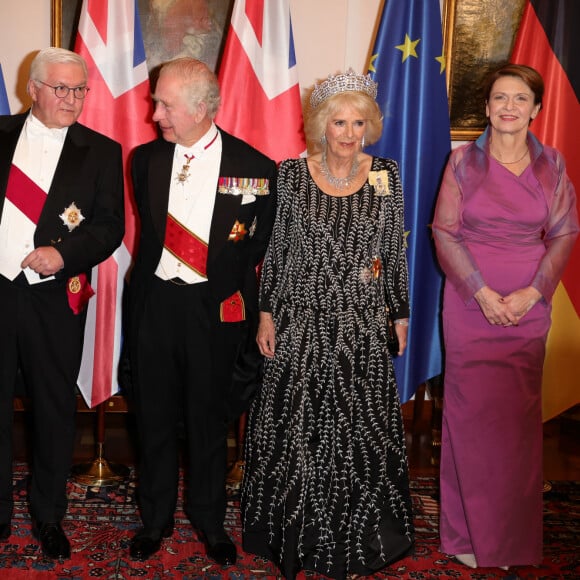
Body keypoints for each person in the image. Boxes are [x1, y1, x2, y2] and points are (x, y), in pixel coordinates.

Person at [242, 69, 415, 579]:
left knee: (359, 431)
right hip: (300, 324)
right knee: (297, 432)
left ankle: (360, 537)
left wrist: (399, 312)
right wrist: (267, 313)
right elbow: (277, 252)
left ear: (369, 125)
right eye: (338, 122)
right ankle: (296, 535)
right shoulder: (292, 175)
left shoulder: (385, 174)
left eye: (358, 122)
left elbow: (393, 251)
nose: (348, 133)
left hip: (361, 324)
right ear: (321, 124)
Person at [127, 57, 277, 566]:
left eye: (165, 104)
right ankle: (155, 518)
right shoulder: (143, 160)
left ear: (200, 107)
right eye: (156, 102)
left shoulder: (255, 168)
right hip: (155, 307)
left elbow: (260, 253)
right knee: (154, 418)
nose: (156, 114)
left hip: (213, 314)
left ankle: (211, 522)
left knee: (209, 421)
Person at [432, 64, 579, 570]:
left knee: (516, 423)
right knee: (468, 420)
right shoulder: (461, 164)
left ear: (536, 108)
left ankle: (511, 538)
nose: (509, 106)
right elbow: (445, 232)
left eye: (520, 98)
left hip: (529, 306)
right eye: (500, 97)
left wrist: (533, 292)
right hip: (471, 304)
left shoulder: (552, 166)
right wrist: (483, 292)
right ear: (488, 107)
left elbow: (564, 235)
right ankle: (463, 533)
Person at [0, 47, 124, 559]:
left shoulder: (100, 150)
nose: (72, 99)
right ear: (33, 89)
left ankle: (49, 515)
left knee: (53, 410)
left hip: (52, 299)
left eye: (80, 90)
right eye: (61, 89)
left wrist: (63, 253)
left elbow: (109, 227)